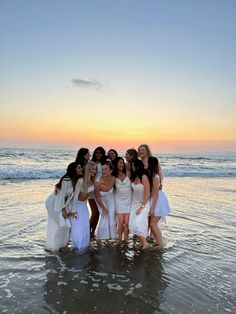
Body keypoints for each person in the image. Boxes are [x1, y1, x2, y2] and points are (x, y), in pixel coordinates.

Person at [45, 162, 83, 252]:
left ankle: (62, 246)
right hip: (54, 203)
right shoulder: (66, 180)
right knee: (62, 226)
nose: (81, 169)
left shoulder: (76, 180)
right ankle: (55, 250)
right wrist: (63, 210)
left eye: (81, 168)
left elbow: (74, 197)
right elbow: (60, 196)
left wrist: (73, 211)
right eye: (79, 168)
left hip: (62, 203)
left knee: (68, 226)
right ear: (73, 170)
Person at [70, 161, 97, 252]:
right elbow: (75, 196)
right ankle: (77, 248)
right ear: (88, 169)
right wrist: (73, 211)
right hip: (77, 207)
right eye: (93, 169)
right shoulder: (81, 180)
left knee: (85, 227)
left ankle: (84, 248)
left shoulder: (92, 181)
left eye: (95, 169)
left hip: (84, 207)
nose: (95, 171)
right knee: (78, 229)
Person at [147, 156, 171, 248]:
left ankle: (161, 243)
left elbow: (156, 194)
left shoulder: (155, 177)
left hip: (157, 201)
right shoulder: (153, 175)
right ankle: (157, 241)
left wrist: (152, 208)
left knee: (153, 224)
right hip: (154, 199)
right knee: (152, 223)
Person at [129, 159, 151, 249]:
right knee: (132, 225)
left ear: (139, 166)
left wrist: (142, 207)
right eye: (132, 166)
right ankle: (143, 243)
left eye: (135, 165)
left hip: (143, 204)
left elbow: (148, 193)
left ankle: (145, 244)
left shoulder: (144, 177)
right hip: (134, 204)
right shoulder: (134, 176)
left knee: (138, 223)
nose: (133, 167)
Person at [94, 163, 116, 241]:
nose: (103, 171)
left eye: (106, 169)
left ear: (111, 171)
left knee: (111, 216)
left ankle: (112, 237)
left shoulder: (114, 179)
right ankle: (101, 238)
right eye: (102, 169)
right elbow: (97, 197)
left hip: (111, 199)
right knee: (104, 216)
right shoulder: (97, 182)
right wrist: (103, 208)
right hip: (100, 200)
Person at [89, 146, 107, 237]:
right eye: (96, 153)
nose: (98, 154)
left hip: (102, 190)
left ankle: (93, 232)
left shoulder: (105, 163)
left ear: (103, 154)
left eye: (100, 153)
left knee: (99, 213)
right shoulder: (91, 163)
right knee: (95, 213)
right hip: (92, 190)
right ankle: (88, 231)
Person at [112, 157, 132, 241]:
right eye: (119, 163)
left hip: (129, 200)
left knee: (127, 222)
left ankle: (126, 239)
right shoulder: (113, 176)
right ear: (116, 164)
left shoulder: (128, 173)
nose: (121, 164)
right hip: (118, 200)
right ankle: (120, 239)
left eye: (122, 163)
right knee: (120, 222)